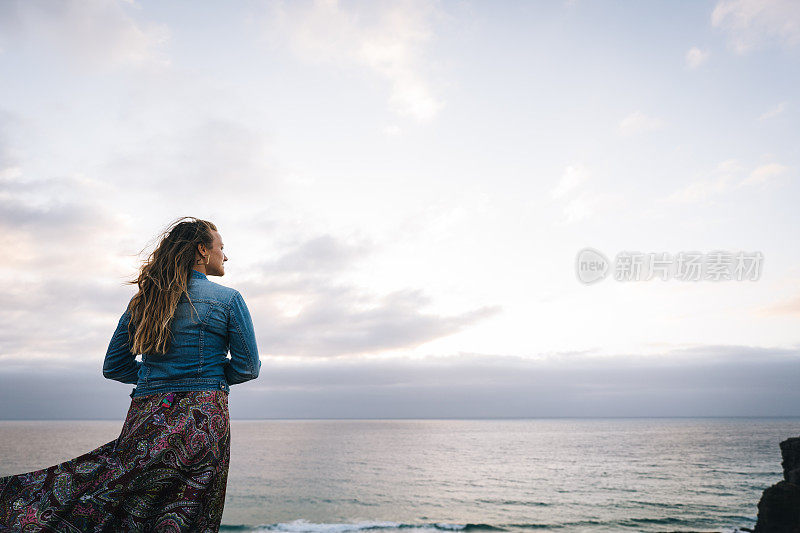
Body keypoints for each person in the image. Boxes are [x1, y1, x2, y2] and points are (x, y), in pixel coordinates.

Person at [0, 216, 261, 532]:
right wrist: (209, 378)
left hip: (148, 415)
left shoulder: (145, 301)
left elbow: (115, 366)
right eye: (222, 247)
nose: (226, 255)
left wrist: (156, 377)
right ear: (202, 252)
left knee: (126, 501)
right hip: (204, 422)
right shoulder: (229, 299)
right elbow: (248, 367)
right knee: (194, 510)